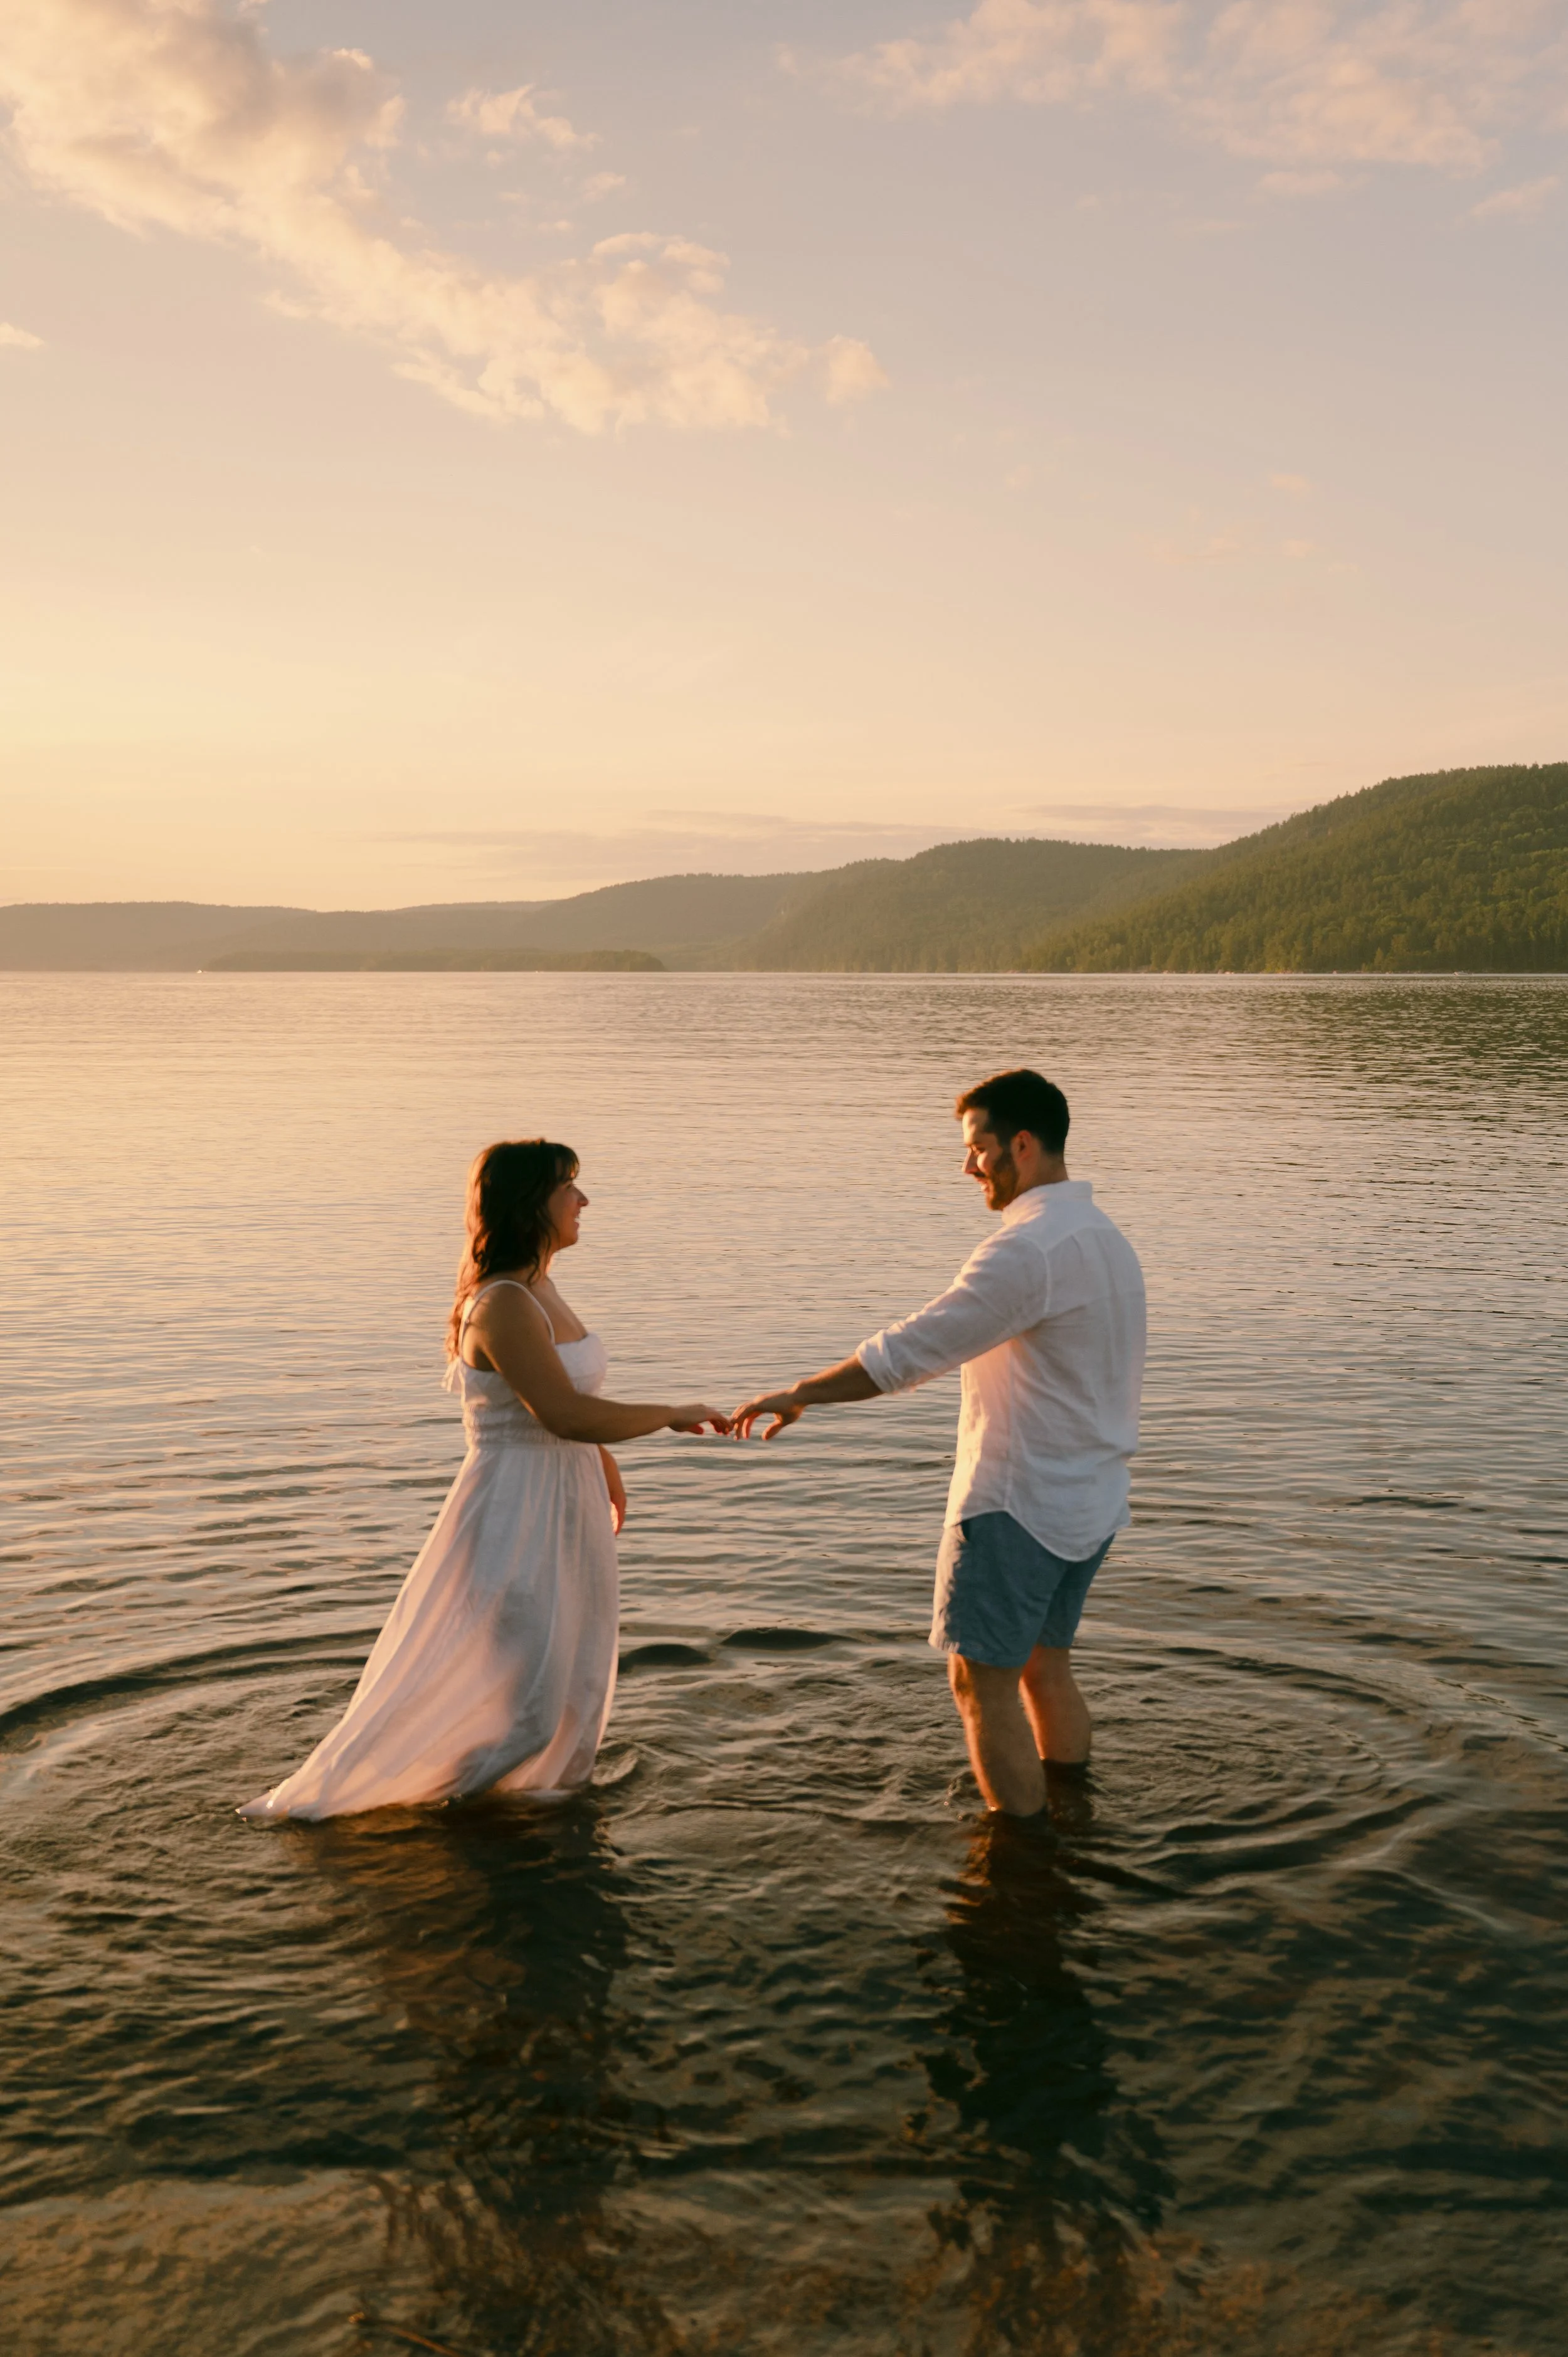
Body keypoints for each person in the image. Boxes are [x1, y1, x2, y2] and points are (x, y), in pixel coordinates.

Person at [240, 1139, 729, 1821]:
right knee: (525, 1690)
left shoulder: (541, 1287)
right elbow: (558, 1411)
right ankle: (413, 1814)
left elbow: (556, 1401)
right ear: (532, 1202)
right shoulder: (502, 1303)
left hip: (565, 1501)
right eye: (570, 1188)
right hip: (513, 1510)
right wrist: (670, 1414)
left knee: (571, 1677)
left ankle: (524, 1815)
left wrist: (604, 1463)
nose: (584, 1201)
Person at [732, 1069, 1145, 1820]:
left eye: (978, 1148)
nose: (968, 1167)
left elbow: (911, 1350)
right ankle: (1072, 1820)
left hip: (1017, 1504)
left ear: (1021, 1144)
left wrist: (802, 1391)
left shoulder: (1028, 1248)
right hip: (1090, 1499)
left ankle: (1021, 1869)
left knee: (979, 1685)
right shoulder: (1104, 1236)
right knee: (1046, 1668)